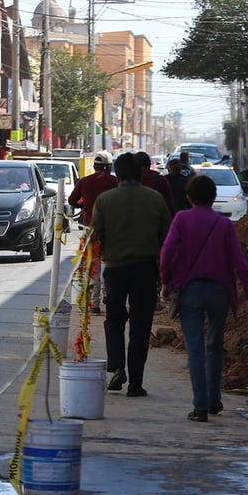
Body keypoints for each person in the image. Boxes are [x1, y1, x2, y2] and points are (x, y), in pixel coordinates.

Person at [160, 174, 248, 422]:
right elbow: (239, 262)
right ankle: (214, 400)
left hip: (190, 292)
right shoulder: (224, 224)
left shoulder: (182, 218)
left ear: (189, 197)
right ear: (213, 198)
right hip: (220, 292)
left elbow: (167, 252)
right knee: (214, 344)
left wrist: (166, 282)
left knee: (195, 348)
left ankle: (200, 406)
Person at [91, 152, 171, 397]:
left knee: (114, 319)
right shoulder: (155, 198)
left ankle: (117, 367)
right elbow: (166, 236)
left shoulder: (105, 200)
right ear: (140, 173)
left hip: (115, 269)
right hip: (145, 269)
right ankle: (136, 382)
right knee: (140, 324)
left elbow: (95, 236)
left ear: (117, 174)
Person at [68, 153, 118, 313]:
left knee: (93, 264)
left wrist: (83, 205)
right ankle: (108, 294)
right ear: (108, 167)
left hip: (90, 228)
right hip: (111, 229)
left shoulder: (84, 181)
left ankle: (94, 303)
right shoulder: (113, 181)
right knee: (111, 264)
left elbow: (71, 201)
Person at [136, 151, 175, 216]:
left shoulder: (129, 182)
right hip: (157, 221)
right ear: (149, 165)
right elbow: (170, 205)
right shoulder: (161, 180)